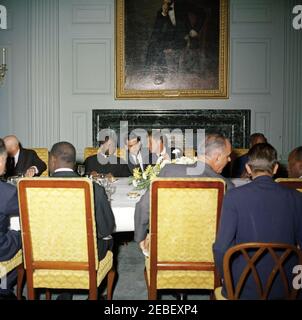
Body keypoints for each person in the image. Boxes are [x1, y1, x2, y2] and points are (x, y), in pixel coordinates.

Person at [213, 143, 302, 299]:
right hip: (287, 287)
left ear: (248, 168)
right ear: (275, 168)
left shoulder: (233, 197)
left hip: (242, 287)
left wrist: (225, 276)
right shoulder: (296, 197)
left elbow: (221, 248)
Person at [135, 133, 234, 253]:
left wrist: (140, 238)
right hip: (207, 254)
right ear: (217, 157)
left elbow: (144, 205)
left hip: (166, 251)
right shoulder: (227, 186)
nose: (229, 159)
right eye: (228, 156)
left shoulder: (169, 171)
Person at [49, 142, 115, 261]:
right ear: (74, 162)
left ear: (52, 159)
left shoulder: (31, 188)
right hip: (85, 255)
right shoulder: (95, 188)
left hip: (46, 253)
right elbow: (106, 229)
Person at [145, 0, 205, 85]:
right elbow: (156, 31)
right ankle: (153, 72)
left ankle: (159, 73)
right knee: (153, 44)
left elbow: (202, 13)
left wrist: (195, 29)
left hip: (183, 38)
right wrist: (163, 15)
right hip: (169, 39)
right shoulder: (161, 12)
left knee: (156, 46)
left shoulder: (183, 5)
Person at [0, 138, 22, 300]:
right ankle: (5, 290)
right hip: (1, 249)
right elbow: (31, 210)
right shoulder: (6, 192)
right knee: (26, 237)